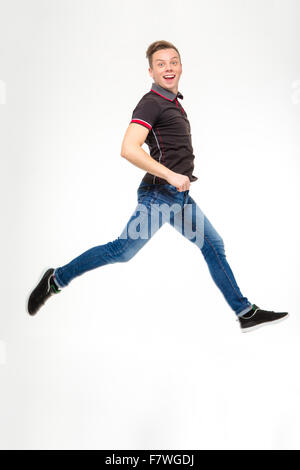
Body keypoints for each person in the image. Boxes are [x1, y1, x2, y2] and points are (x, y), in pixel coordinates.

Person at [27, 40, 289, 332]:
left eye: (173, 62)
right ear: (151, 71)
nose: (168, 68)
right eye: (161, 64)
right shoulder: (151, 102)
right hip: (159, 197)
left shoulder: (173, 102)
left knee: (213, 246)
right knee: (122, 250)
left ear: (180, 67)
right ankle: (57, 279)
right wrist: (170, 176)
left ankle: (244, 312)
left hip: (178, 197)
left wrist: (177, 182)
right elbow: (129, 148)